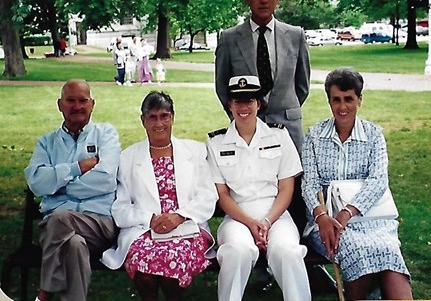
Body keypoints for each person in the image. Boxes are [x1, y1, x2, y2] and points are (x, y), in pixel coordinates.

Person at [301, 67, 412, 300]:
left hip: (372, 219)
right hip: (326, 222)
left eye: (349, 99)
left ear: (359, 100)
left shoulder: (373, 135)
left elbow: (378, 180)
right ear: (329, 101)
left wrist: (348, 212)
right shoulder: (314, 135)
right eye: (336, 100)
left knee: (388, 251)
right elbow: (309, 184)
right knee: (355, 248)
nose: (342, 107)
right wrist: (321, 216)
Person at [214, 0, 311, 236]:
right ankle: (254, 244)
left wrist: (283, 107)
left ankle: (293, 246)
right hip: (246, 127)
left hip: (288, 124)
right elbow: (223, 86)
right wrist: (246, 116)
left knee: (292, 186)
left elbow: (302, 85)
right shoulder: (230, 38)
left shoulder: (295, 35)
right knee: (250, 186)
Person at [102, 91, 218, 301]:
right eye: (152, 117)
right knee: (144, 274)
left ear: (172, 117)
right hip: (144, 230)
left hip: (187, 228)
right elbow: (121, 208)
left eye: (164, 116)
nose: (159, 124)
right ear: (143, 120)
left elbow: (207, 196)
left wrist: (179, 216)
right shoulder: (128, 158)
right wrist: (151, 219)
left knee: (171, 273)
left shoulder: (194, 151)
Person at [207, 75, 311, 301]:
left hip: (276, 215)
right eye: (237, 101)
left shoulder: (279, 135)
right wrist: (250, 223)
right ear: (229, 104)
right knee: (236, 251)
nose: (243, 107)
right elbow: (223, 195)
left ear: (259, 103)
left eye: (250, 100)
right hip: (237, 218)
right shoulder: (216, 143)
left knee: (288, 252)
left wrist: (266, 222)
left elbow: (286, 188)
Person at [24, 79, 121, 301]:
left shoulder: (105, 134)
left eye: (83, 100)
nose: (77, 106)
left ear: (92, 104)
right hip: (57, 232)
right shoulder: (46, 143)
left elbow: (106, 179)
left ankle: (44, 294)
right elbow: (37, 183)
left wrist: (58, 184)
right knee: (74, 245)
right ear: (60, 104)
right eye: (71, 101)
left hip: (99, 223)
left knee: (60, 218)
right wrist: (78, 168)